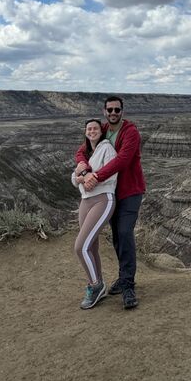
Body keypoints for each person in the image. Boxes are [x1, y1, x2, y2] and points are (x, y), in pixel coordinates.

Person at [75, 96, 146, 310]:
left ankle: (128, 285)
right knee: (117, 237)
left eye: (117, 110)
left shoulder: (130, 132)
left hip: (130, 191)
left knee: (124, 234)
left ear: (122, 111)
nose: (113, 113)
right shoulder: (104, 129)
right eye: (110, 110)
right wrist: (85, 170)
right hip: (112, 191)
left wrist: (94, 177)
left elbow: (122, 160)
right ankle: (122, 278)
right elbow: (82, 150)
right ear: (105, 111)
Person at [71, 118, 118, 310]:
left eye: (95, 128)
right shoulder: (85, 153)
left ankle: (95, 285)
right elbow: (74, 178)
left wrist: (90, 178)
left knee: (80, 247)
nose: (92, 131)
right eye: (89, 129)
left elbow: (113, 173)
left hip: (102, 199)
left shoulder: (107, 149)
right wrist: (82, 178)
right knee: (91, 246)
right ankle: (100, 284)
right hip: (85, 201)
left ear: (101, 131)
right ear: (85, 132)